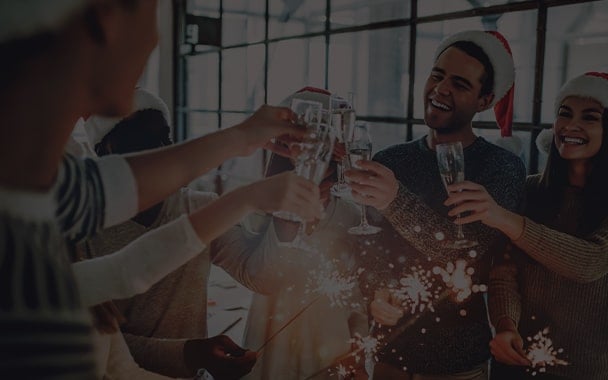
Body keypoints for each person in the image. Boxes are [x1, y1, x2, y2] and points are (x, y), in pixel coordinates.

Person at [0, 1, 313, 378]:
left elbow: (129, 270)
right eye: (153, 11)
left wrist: (247, 164)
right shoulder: (42, 211)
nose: (154, 40)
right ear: (106, 21)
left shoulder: (57, 188)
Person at [445, 72, 608, 379]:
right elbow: (504, 273)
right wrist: (506, 325)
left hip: (584, 370)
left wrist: (504, 218)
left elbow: (589, 262)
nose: (571, 125)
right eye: (564, 113)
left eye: (589, 118)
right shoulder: (530, 190)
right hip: (515, 361)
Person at [344, 30, 526, 379]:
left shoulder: (501, 168)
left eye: (459, 83)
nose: (441, 89)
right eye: (437, 75)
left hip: (456, 363)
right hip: (389, 355)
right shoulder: (391, 159)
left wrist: (395, 199)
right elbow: (369, 246)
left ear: (485, 100)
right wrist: (377, 290)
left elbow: (463, 256)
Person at [240, 87, 369, 380]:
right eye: (299, 140)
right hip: (270, 349)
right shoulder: (258, 209)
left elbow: (357, 296)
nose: (311, 151)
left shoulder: (350, 215)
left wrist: (358, 354)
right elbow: (261, 277)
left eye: (320, 139)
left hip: (329, 349)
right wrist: (289, 210)